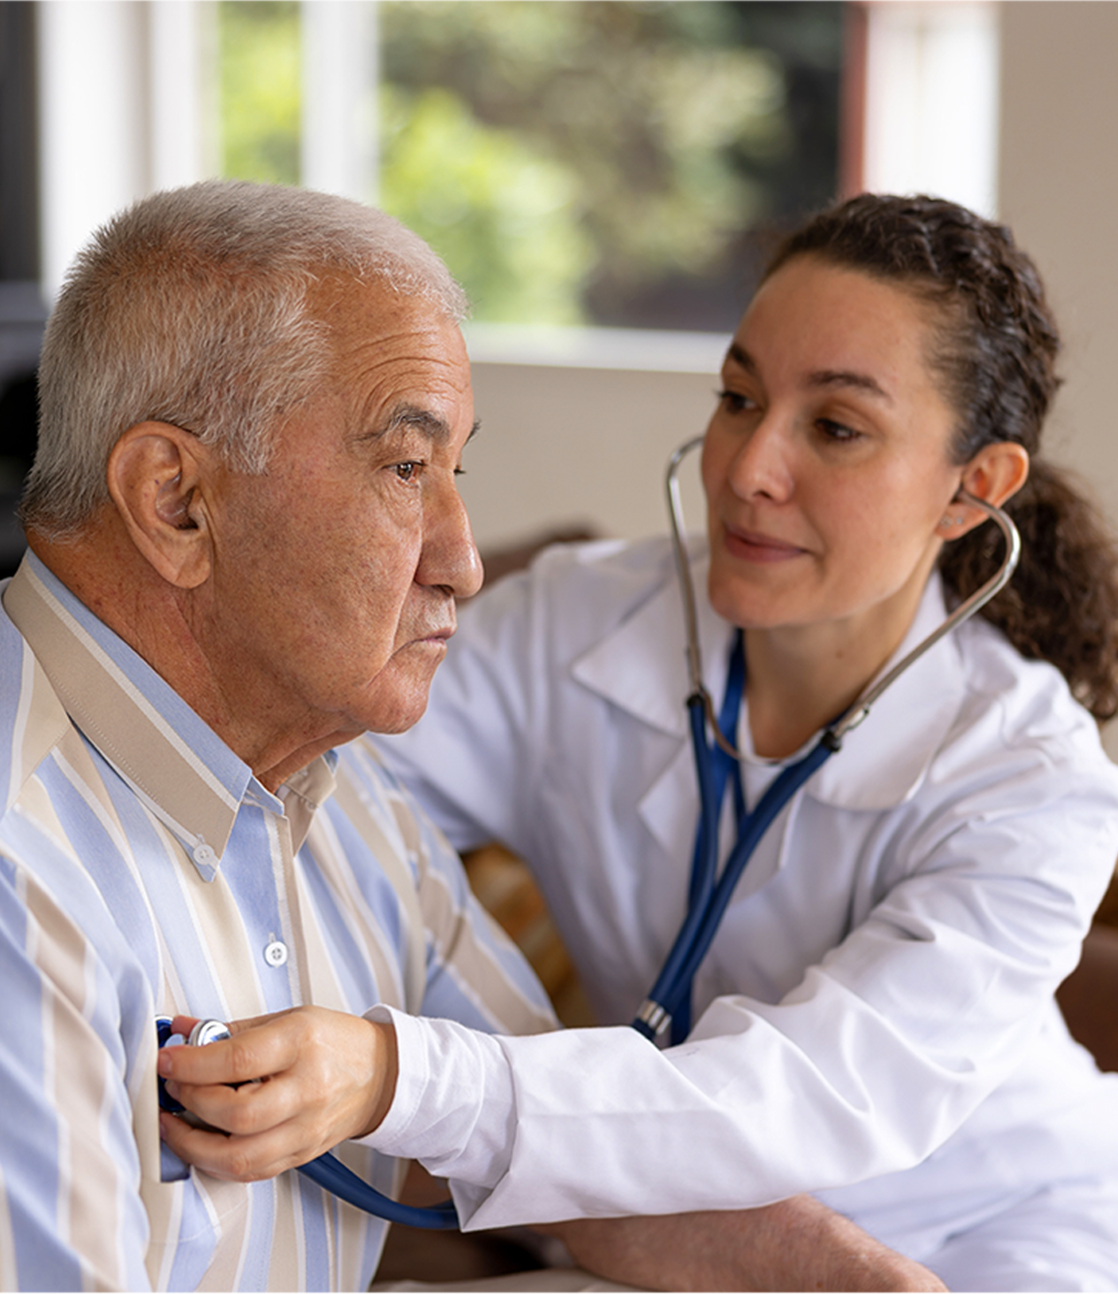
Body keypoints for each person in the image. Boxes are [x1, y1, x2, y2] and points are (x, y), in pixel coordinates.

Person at [0, 180, 937, 1293]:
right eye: (405, 468)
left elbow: (542, 1139)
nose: (464, 559)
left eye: (455, 471)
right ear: (177, 500)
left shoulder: (329, 779)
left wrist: (875, 1285)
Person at [161, 194, 1118, 1290]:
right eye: (737, 396)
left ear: (972, 489)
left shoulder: (1033, 782)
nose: (748, 466)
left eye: (835, 428)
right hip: (663, 1226)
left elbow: (814, 1091)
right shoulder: (575, 628)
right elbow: (309, 784)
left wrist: (397, 1073)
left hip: (1009, 1231)